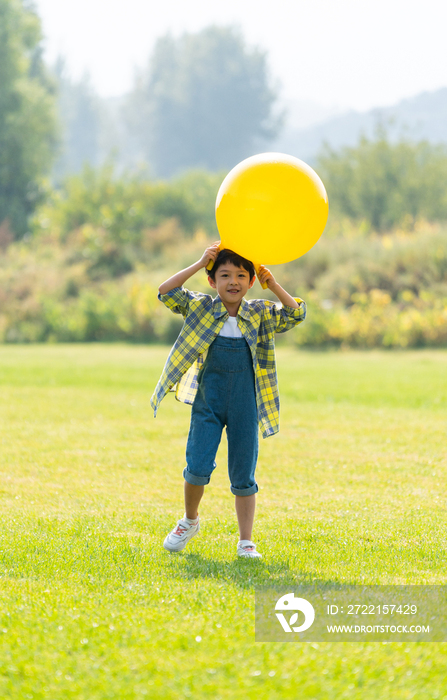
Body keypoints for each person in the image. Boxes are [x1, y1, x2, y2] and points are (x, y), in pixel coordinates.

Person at [150, 242, 306, 558]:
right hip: (208, 402)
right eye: (224, 275)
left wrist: (273, 284)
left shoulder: (260, 313)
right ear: (212, 281)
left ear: (250, 281)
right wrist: (198, 263)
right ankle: (189, 520)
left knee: (244, 473)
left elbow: (296, 314)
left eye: (240, 275)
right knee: (196, 466)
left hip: (246, 405)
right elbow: (166, 292)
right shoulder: (201, 308)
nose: (232, 281)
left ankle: (246, 541)